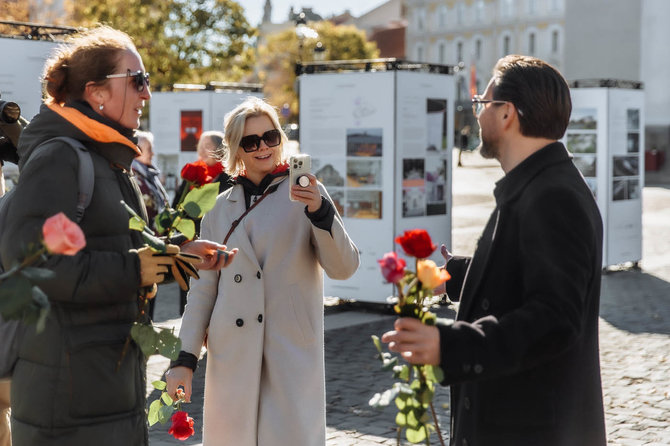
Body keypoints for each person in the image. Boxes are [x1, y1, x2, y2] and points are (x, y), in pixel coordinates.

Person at [0, 26, 232, 445]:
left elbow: (110, 251)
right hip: (66, 401)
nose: (146, 94)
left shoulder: (107, 159)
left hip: (105, 386)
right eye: (138, 81)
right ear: (97, 92)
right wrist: (135, 268)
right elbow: (32, 265)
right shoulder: (60, 158)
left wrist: (176, 255)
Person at [382, 55, 606, 446]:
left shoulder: (551, 195)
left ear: (507, 114)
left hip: (529, 429)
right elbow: (529, 271)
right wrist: (456, 276)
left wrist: (451, 345)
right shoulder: (540, 182)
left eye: (482, 104)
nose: (477, 115)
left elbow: (555, 317)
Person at [166, 96, 360, 445]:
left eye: (270, 137)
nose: (262, 148)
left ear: (280, 139)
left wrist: (320, 211)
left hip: (290, 351)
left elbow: (344, 268)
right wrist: (185, 358)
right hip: (232, 354)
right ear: (235, 149)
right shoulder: (218, 208)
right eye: (250, 141)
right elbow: (203, 289)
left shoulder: (307, 194)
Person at [173, 130, 234, 314]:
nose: (201, 151)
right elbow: (177, 206)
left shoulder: (228, 178)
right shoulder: (193, 175)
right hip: (189, 244)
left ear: (219, 151)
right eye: (200, 147)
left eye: (207, 147)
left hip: (217, 244)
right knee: (189, 298)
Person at [132, 130, 171, 319]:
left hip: (154, 242)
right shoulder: (134, 175)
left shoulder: (148, 174)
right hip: (143, 245)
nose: (153, 153)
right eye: (150, 149)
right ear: (137, 150)